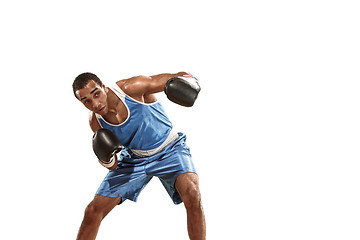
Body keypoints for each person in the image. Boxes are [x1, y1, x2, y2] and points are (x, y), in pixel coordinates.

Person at [72, 72, 206, 240]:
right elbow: (113, 164)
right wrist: (107, 160)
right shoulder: (96, 122)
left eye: (96, 94)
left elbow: (176, 77)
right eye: (87, 101)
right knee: (92, 211)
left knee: (192, 194)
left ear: (104, 87)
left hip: (170, 149)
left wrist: (190, 81)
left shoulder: (131, 88)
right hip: (135, 159)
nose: (95, 103)